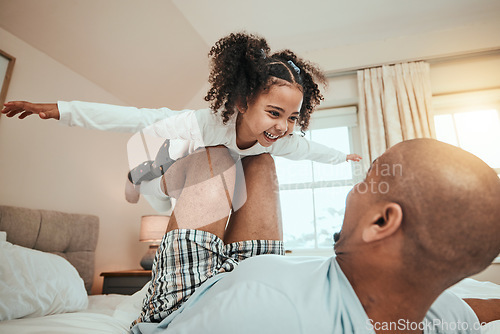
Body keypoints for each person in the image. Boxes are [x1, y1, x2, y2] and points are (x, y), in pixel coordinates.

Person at [123, 138, 498, 334]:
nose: (353, 192)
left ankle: (143, 177)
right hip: (252, 271)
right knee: (260, 159)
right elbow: (473, 311)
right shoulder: (441, 313)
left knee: (217, 156)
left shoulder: (265, 314)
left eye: (367, 182)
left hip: (192, 296)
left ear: (381, 223)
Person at [1, 32, 362, 212]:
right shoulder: (196, 124)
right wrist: (61, 109)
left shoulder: (279, 139)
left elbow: (307, 150)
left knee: (236, 175)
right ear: (241, 101)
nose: (283, 126)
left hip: (195, 187)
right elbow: (132, 117)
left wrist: (340, 158)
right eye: (274, 113)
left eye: (292, 118)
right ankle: (134, 176)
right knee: (163, 170)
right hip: (165, 166)